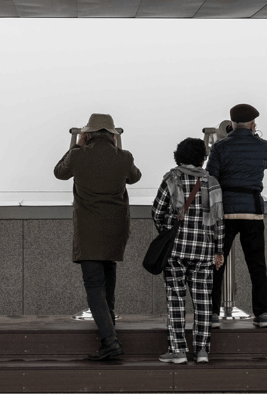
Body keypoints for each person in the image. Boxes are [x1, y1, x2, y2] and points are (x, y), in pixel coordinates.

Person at [54, 114, 142, 361]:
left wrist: (75, 146)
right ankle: (109, 329)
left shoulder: (78, 155)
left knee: (94, 286)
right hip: (116, 229)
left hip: (89, 230)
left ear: (87, 134)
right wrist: (118, 149)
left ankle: (110, 340)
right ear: (113, 135)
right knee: (108, 280)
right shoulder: (124, 157)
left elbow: (59, 172)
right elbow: (135, 177)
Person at [152, 138, 224, 364]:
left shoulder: (171, 179)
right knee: (203, 302)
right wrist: (218, 250)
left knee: (176, 300)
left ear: (178, 156)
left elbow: (157, 211)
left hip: (176, 251)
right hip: (203, 251)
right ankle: (202, 350)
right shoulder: (211, 182)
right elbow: (218, 221)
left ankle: (178, 350)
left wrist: (167, 230)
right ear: (202, 158)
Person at [206, 103, 267, 329]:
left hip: (225, 212)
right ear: (253, 124)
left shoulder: (220, 147)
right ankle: (263, 314)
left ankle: (213, 314)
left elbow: (211, 177)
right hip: (253, 211)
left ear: (231, 124)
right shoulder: (263, 146)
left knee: (217, 263)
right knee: (257, 265)